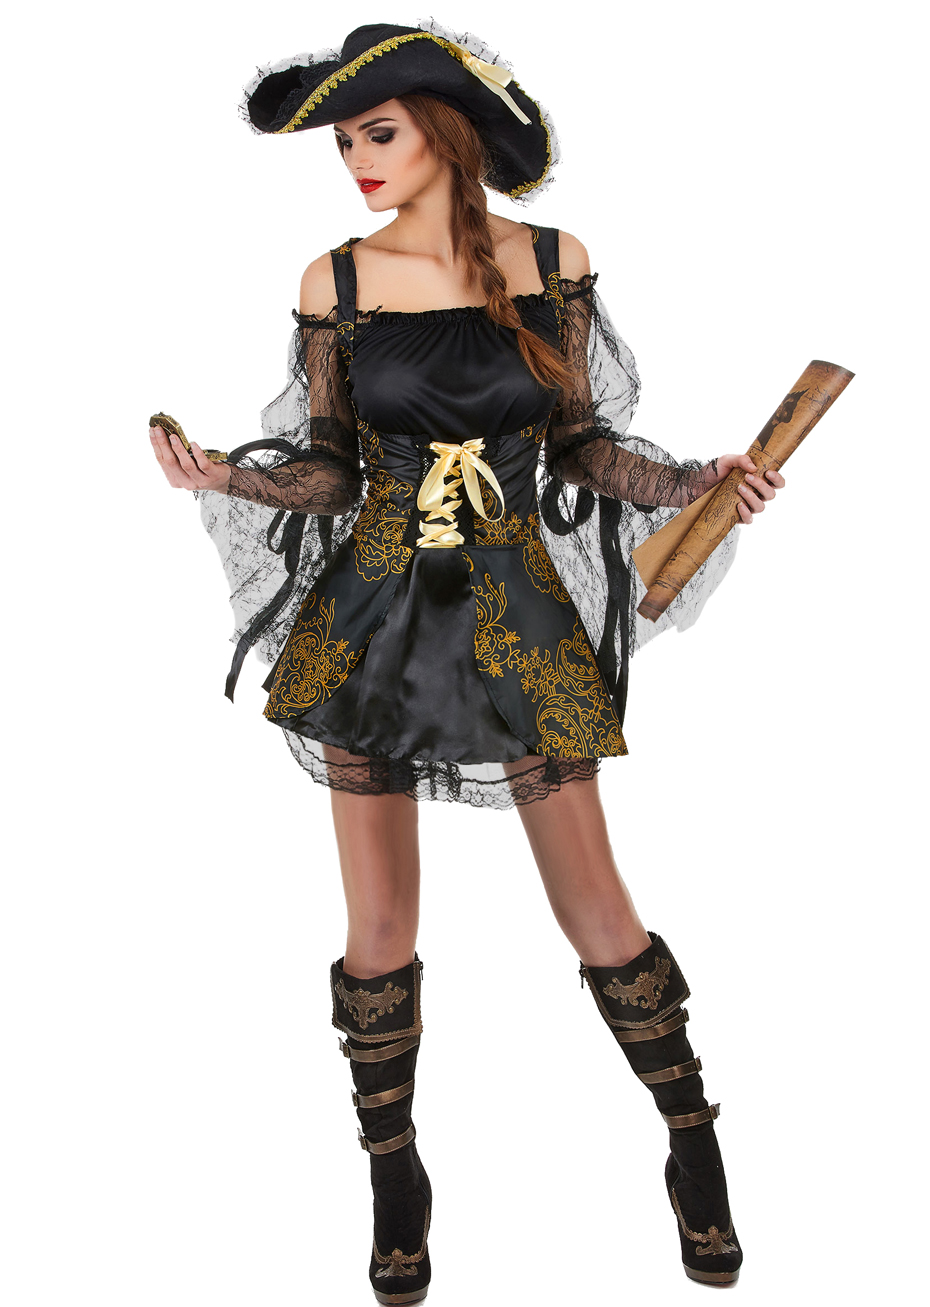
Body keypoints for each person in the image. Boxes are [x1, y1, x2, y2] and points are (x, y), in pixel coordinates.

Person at [150, 21, 785, 1300]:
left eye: (376, 133)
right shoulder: (334, 280)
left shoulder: (554, 261)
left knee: (596, 906)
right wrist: (229, 476)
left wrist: (696, 482)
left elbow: (585, 446)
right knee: (380, 922)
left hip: (512, 605)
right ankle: (395, 1176)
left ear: (444, 131)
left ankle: (693, 1136)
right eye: (344, 141)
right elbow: (331, 470)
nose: (356, 161)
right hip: (373, 610)